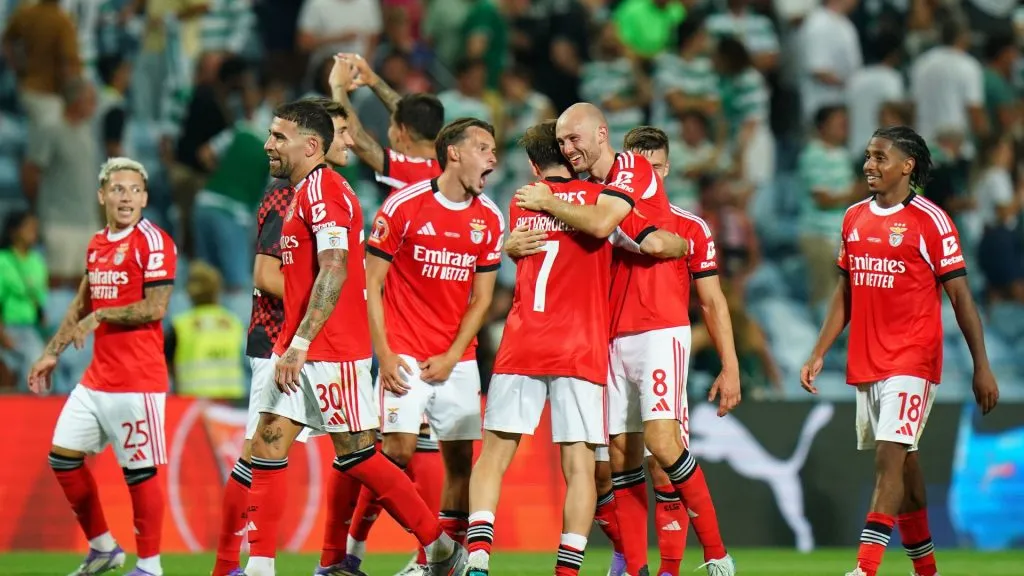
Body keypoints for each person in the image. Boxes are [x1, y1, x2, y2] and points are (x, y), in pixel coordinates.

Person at [242, 99, 466, 576]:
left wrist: (301, 344)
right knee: (266, 447)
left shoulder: (325, 190)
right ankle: (260, 569)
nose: (268, 145)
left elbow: (336, 268)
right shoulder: (302, 191)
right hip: (298, 346)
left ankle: (441, 548)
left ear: (310, 145)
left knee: (360, 455)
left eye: (278, 137)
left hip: (330, 351)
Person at [514, 103, 739, 576]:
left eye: (575, 139)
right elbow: (640, 240)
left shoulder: (630, 169)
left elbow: (600, 225)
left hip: (658, 325)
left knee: (663, 442)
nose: (568, 149)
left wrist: (547, 202)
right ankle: (636, 567)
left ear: (601, 133)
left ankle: (717, 556)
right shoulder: (588, 193)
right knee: (619, 460)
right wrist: (509, 242)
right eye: (562, 143)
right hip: (609, 333)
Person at [465, 121, 689, 576]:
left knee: (493, 456)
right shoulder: (600, 201)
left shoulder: (521, 199)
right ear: (570, 156)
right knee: (580, 467)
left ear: (532, 164)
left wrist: (513, 243)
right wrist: (680, 242)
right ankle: (567, 570)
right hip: (579, 347)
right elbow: (644, 242)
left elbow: (530, 241)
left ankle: (478, 556)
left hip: (522, 341)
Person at [800, 125, 1000, 576]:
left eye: (879, 157)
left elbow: (961, 298)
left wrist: (981, 367)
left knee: (888, 457)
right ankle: (926, 571)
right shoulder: (853, 217)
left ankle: (864, 568)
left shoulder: (932, 221)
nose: (869, 164)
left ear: (907, 166)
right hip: (868, 360)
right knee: (907, 467)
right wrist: (818, 352)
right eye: (868, 156)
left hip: (913, 358)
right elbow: (845, 292)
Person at [211, 97, 365, 576]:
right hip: (283, 341)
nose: (349, 142)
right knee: (268, 451)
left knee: (344, 450)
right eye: (342, 132)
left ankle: (312, 561)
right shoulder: (288, 195)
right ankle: (237, 566)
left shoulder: (322, 191)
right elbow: (264, 272)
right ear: (316, 142)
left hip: (302, 342)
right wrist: (316, 300)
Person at [342, 118, 503, 575]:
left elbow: (483, 298)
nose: (493, 158)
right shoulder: (403, 206)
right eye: (484, 148)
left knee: (459, 464)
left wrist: (454, 354)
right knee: (394, 453)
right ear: (454, 151)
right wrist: (386, 354)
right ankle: (354, 550)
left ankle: (433, 564)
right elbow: (371, 283)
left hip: (458, 359)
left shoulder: (490, 217)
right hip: (405, 355)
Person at [28, 157, 177, 576]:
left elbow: (156, 306)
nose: (125, 197)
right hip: (97, 381)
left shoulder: (155, 241)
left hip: (138, 381)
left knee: (140, 473)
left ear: (145, 197)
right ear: (102, 196)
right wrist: (51, 351)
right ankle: (103, 548)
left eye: (134, 189)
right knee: (63, 458)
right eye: (117, 189)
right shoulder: (97, 243)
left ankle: (149, 566)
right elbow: (82, 302)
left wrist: (102, 315)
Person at [331, 54, 448, 573]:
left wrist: (341, 92)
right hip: (443, 328)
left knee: (389, 450)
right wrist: (376, 81)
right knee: (411, 448)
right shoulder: (448, 168)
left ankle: (380, 553)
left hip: (402, 325)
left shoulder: (412, 175)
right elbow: (410, 120)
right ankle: (424, 553)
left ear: (400, 133)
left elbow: (356, 141)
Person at [623, 126, 742, 576]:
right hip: (612, 345)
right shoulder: (609, 219)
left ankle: (700, 561)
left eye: (655, 167)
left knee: (661, 460)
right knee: (616, 464)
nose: (647, 177)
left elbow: (713, 300)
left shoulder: (690, 226)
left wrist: (730, 367)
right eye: (639, 168)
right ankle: (631, 563)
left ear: (667, 168)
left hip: (661, 339)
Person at [332, 53, 444, 192]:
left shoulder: (413, 170)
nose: (389, 131)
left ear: (402, 131)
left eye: (391, 125)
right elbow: (410, 115)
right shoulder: (446, 160)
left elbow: (356, 137)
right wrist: (372, 80)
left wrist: (338, 86)